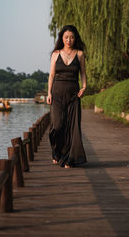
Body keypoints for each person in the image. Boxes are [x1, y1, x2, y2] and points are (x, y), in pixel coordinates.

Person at [47, 25, 87, 168]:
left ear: (75, 38)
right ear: (62, 38)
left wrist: (84, 86)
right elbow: (51, 75)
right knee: (57, 125)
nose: (69, 40)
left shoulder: (80, 54)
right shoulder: (56, 54)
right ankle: (56, 151)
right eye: (66, 37)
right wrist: (49, 93)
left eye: (71, 37)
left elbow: (82, 72)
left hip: (73, 94)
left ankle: (69, 159)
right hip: (57, 94)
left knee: (72, 127)